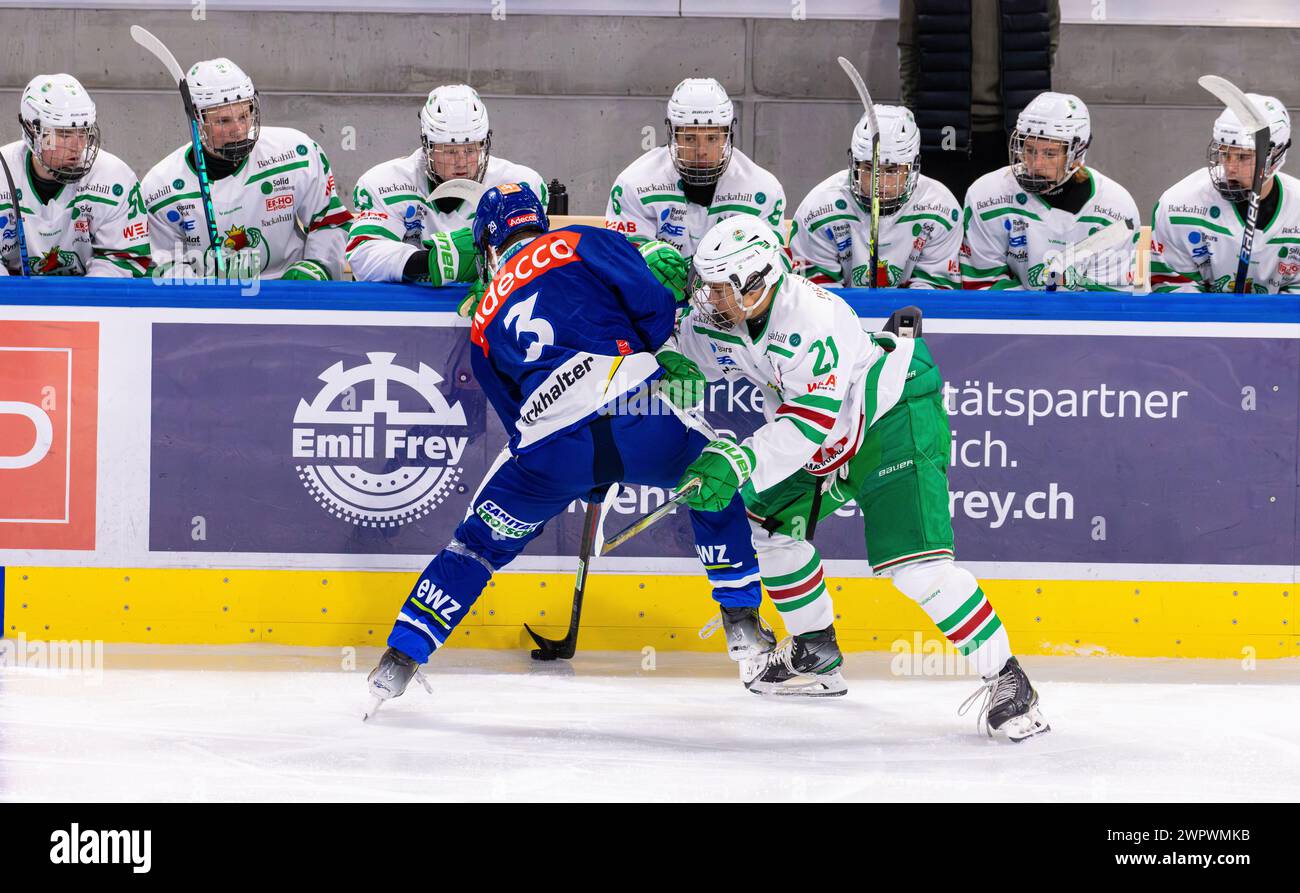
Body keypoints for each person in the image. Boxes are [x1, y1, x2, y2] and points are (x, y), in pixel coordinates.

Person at [365, 183, 771, 711]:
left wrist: (572, 461)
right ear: (541, 221)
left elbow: (511, 413)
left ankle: (401, 656)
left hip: (549, 447)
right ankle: (740, 618)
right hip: (636, 409)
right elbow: (649, 300)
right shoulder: (580, 239)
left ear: (489, 245)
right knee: (714, 479)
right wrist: (644, 352)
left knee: (477, 546)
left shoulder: (483, 316)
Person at [672, 216, 1050, 739]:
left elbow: (808, 426)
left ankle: (1010, 681)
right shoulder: (723, 313)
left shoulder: (812, 318)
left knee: (919, 571)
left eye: (720, 288)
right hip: (823, 430)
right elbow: (679, 348)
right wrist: (669, 361)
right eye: (706, 284)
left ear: (757, 282)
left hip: (891, 418)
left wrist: (738, 460)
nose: (709, 298)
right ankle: (815, 651)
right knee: (766, 521)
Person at [141, 58, 351, 280]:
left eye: (244, 115)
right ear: (198, 120)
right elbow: (163, 264)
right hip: (210, 300)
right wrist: (201, 295)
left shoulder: (296, 152)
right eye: (223, 121)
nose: (239, 129)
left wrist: (316, 269)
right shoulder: (161, 186)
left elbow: (329, 220)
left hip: (288, 290)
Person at [347, 84, 546, 309]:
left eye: (471, 150)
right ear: (427, 146)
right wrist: (435, 262)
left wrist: (492, 277)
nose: (461, 161)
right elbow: (363, 255)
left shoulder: (518, 184)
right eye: (450, 151)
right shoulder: (385, 182)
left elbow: (533, 259)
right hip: (411, 309)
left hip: (494, 308)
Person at [961, 92, 1139, 291]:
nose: (1035, 165)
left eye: (1050, 153)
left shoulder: (1115, 208)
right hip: (1010, 321)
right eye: (1029, 150)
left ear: (1077, 152)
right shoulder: (988, 195)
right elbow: (984, 285)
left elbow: (1106, 302)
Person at [899, 0, 1060, 203]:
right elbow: (910, 46)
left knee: (1010, 225)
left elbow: (1045, 43)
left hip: (1012, 132)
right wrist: (911, 114)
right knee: (944, 221)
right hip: (943, 128)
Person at [605, 77, 785, 259]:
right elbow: (622, 265)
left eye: (712, 139)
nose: (701, 151)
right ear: (673, 135)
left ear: (727, 137)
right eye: (690, 138)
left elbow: (775, 266)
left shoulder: (762, 189)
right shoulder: (634, 184)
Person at [790, 105, 961, 288]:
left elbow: (933, 296)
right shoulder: (819, 208)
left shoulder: (940, 208)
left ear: (913, 166)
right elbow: (815, 296)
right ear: (853, 162)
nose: (879, 183)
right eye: (869, 168)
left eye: (892, 170)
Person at [0, 74, 150, 277]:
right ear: (31, 131)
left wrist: (84, 301)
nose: (78, 146)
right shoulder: (3, 172)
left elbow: (123, 261)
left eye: (83, 133)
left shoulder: (114, 178)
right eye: (64, 134)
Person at [1151, 93, 1298, 293]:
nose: (1230, 167)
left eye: (1244, 157)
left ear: (1277, 155)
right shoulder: (1179, 205)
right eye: (1224, 153)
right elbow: (1173, 292)